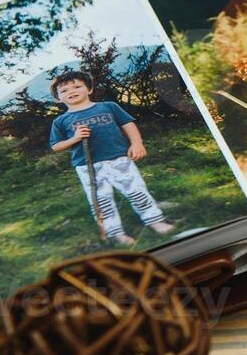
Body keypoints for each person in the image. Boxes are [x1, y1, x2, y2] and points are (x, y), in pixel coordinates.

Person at [48, 70, 175, 245]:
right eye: (64, 90)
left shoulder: (108, 107)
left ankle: (155, 221)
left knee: (136, 191)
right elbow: (56, 146)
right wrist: (75, 138)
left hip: (119, 159)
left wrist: (136, 143)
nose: (71, 91)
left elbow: (128, 124)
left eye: (77, 86)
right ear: (58, 98)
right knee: (101, 200)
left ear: (89, 89)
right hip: (87, 166)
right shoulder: (61, 121)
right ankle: (116, 233)